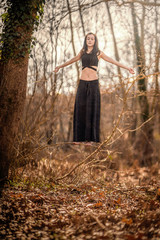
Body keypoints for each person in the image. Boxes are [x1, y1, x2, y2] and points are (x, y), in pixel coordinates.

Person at [54, 32, 135, 145]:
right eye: (88, 39)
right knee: (80, 108)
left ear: (95, 41)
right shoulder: (82, 52)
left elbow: (112, 60)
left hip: (93, 83)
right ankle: (78, 138)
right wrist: (59, 66)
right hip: (82, 83)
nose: (90, 40)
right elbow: (72, 60)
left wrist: (127, 68)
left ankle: (90, 139)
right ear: (86, 40)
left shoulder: (98, 53)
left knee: (92, 109)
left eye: (92, 39)